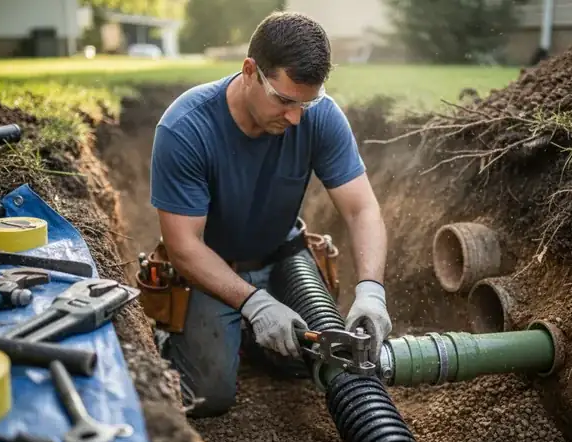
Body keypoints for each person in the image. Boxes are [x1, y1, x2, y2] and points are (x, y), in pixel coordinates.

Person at [149, 11, 391, 418]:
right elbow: (184, 247)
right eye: (284, 101)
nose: (296, 117)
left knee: (308, 362)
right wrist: (255, 304)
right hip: (211, 269)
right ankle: (175, 339)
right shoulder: (186, 128)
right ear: (249, 71)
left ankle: (251, 339)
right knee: (210, 394)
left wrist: (371, 291)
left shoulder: (320, 115)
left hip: (282, 256)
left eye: (306, 103)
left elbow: (362, 208)